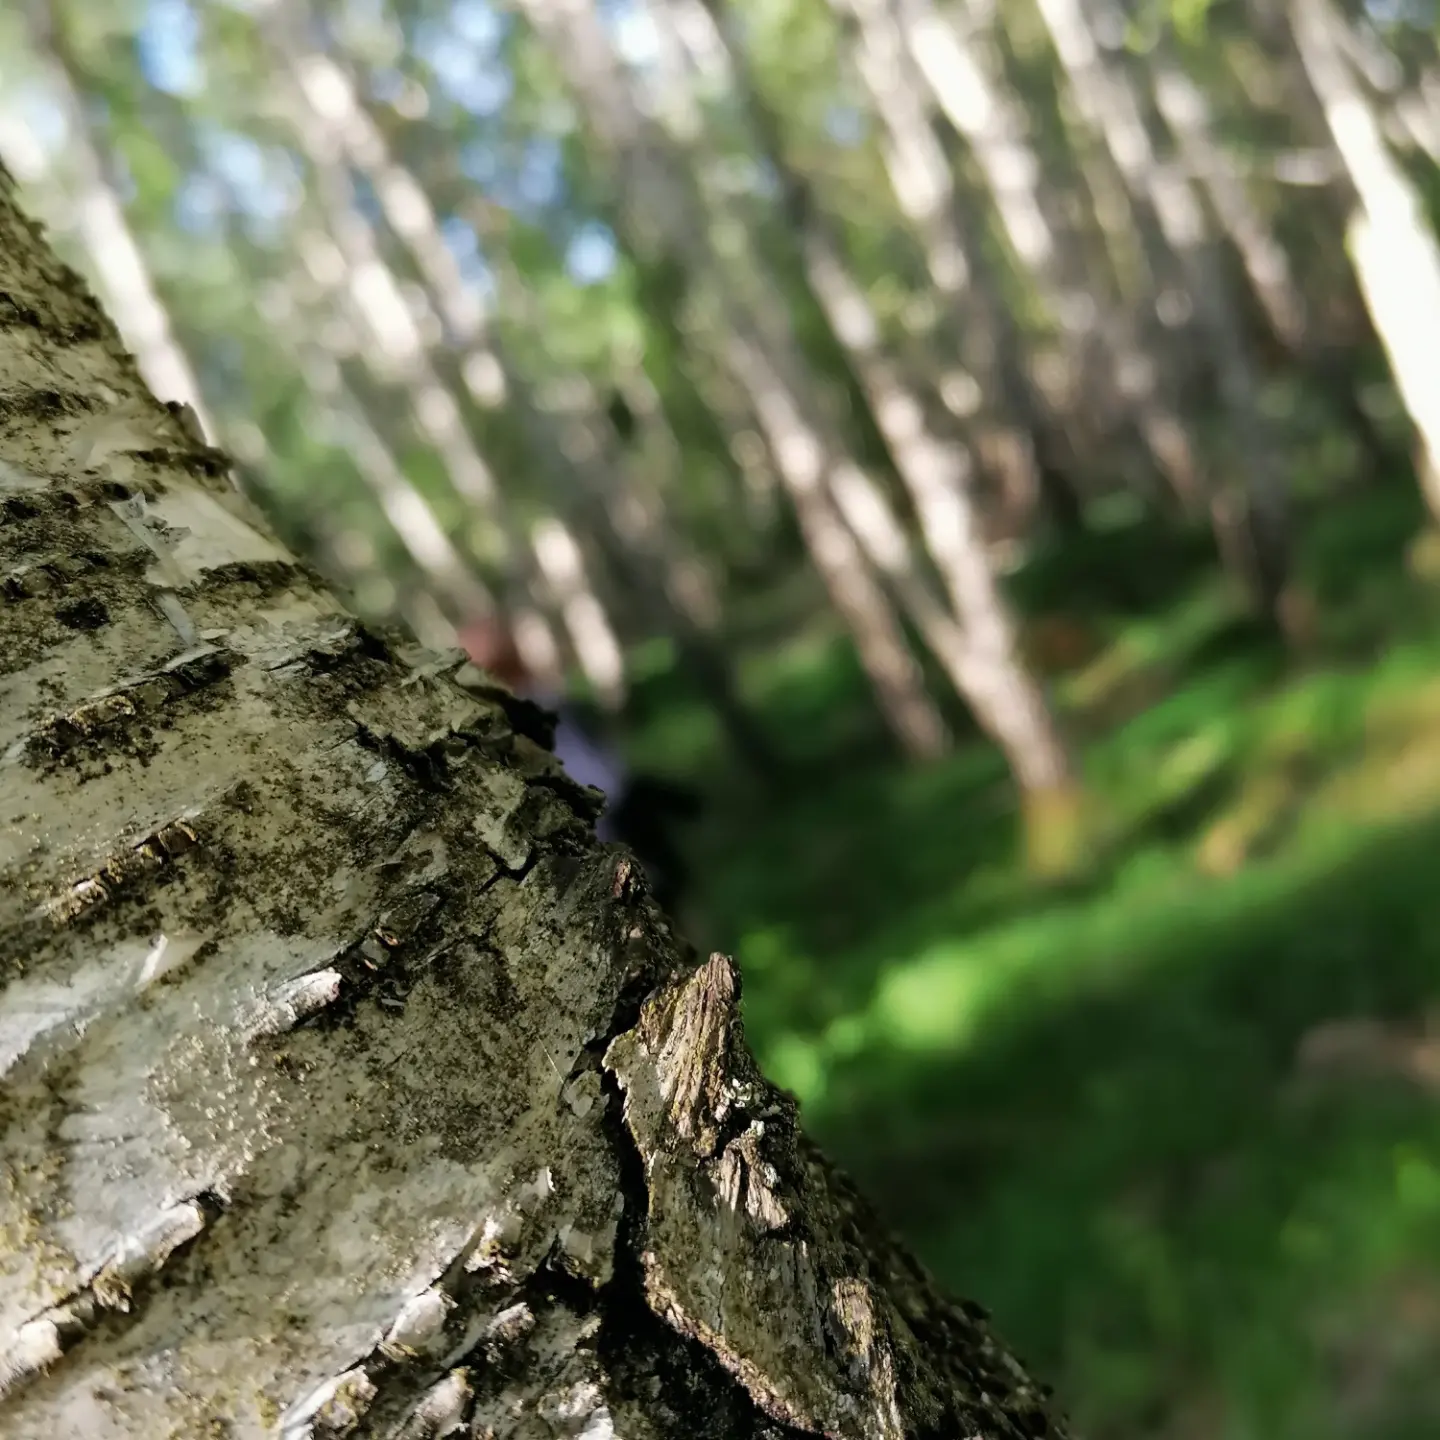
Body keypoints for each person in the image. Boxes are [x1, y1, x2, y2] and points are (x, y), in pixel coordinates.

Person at [458, 616, 699, 912]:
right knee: (649, 901)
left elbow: (596, 755)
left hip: (621, 808)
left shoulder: (544, 699)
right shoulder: (510, 722)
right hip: (597, 828)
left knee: (669, 892)